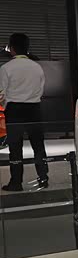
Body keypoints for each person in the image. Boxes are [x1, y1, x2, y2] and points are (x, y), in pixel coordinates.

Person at [0, 33, 48, 191]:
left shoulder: (6, 68)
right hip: (34, 109)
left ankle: (16, 182)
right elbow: (41, 89)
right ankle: (43, 178)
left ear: (12, 48)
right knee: (38, 145)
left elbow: (1, 93)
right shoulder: (37, 67)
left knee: (15, 147)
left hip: (14, 110)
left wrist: (6, 104)